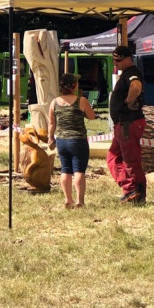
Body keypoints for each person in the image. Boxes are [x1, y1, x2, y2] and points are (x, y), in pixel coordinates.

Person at [47, 72, 96, 209]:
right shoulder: (81, 101)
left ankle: (68, 199)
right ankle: (80, 201)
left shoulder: (54, 102)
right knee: (79, 170)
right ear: (74, 85)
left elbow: (51, 123)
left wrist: (50, 137)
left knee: (65, 170)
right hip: (78, 140)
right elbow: (91, 116)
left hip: (61, 140)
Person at [107, 44, 146, 203]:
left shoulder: (132, 73)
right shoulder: (127, 73)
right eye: (113, 60)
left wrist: (127, 101)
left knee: (130, 160)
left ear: (128, 58)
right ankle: (130, 189)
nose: (115, 63)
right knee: (113, 157)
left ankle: (136, 192)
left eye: (118, 60)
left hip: (128, 123)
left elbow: (136, 86)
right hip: (124, 124)